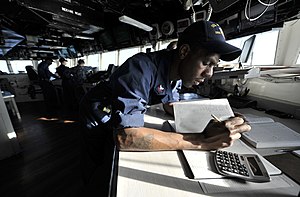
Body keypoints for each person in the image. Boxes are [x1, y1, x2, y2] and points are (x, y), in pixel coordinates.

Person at [79, 20, 251, 195]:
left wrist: (220, 115)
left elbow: (171, 106)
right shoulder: (140, 68)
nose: (209, 74)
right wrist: (200, 140)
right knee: (98, 160)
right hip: (98, 110)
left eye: (214, 66)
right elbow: (126, 137)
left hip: (119, 109)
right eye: (206, 63)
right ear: (184, 51)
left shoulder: (175, 73)